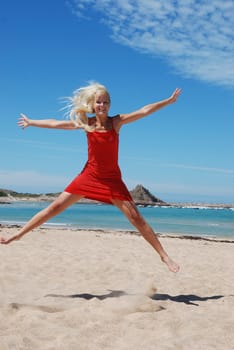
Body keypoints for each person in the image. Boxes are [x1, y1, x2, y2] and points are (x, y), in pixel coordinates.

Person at [0, 82, 181, 273]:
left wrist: (168, 101)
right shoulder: (87, 124)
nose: (102, 106)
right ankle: (17, 235)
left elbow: (143, 111)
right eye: (99, 102)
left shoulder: (116, 122)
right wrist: (32, 122)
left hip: (112, 180)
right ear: (93, 105)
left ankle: (164, 255)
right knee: (54, 207)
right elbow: (56, 124)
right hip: (89, 176)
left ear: (110, 105)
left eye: (106, 102)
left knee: (137, 219)